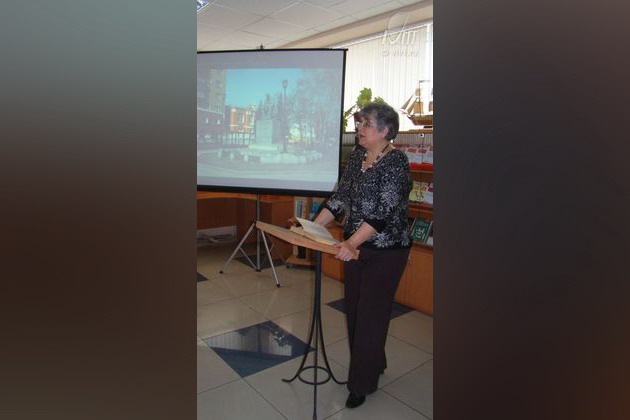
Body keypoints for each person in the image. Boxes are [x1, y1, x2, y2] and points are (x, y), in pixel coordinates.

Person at [313, 102, 413, 408]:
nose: (359, 128)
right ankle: (374, 361)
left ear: (385, 131)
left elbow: (383, 212)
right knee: (356, 311)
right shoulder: (358, 156)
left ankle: (361, 384)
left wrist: (351, 243)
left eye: (366, 123)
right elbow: (341, 197)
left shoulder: (397, 162)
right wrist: (312, 227)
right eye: (359, 122)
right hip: (356, 248)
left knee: (371, 316)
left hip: (387, 251)